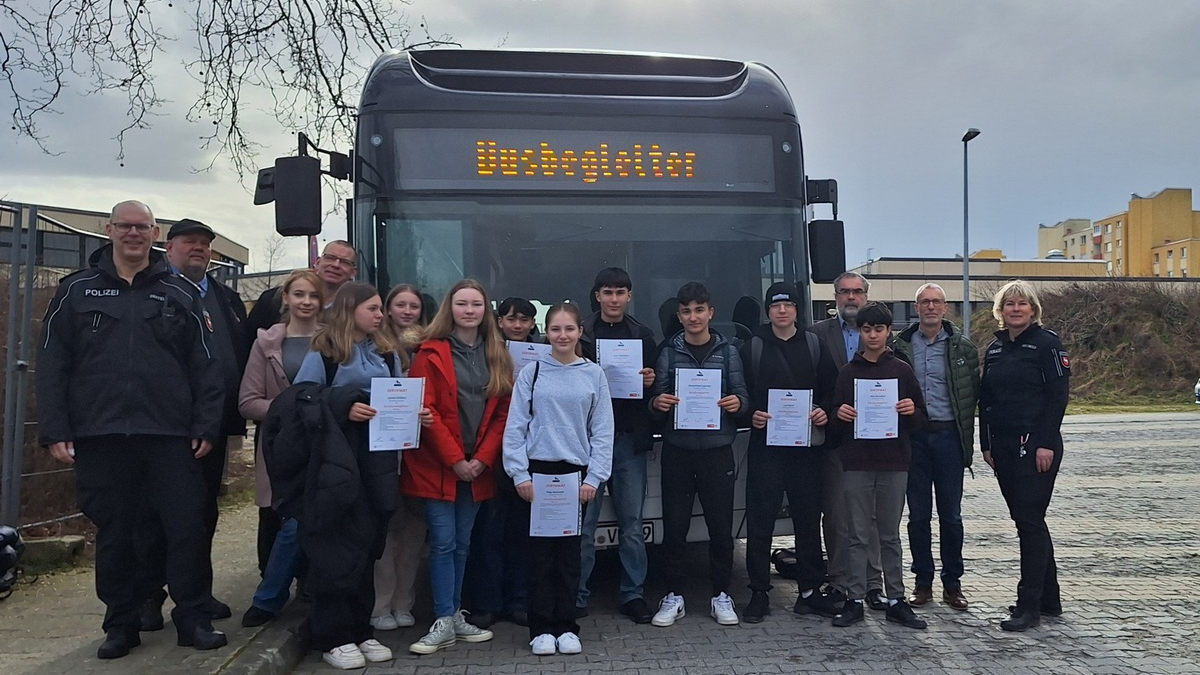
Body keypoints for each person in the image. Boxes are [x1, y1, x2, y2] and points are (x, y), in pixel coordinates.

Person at [36, 200, 226, 658]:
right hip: (101, 436)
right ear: (109, 230)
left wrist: (205, 424)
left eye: (142, 226)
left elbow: (206, 366)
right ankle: (120, 624)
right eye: (125, 226)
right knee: (116, 532)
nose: (133, 233)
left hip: (170, 435)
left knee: (186, 530)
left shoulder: (181, 292)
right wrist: (56, 428)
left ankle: (193, 618)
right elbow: (52, 364)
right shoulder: (75, 291)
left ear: (156, 233)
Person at [138, 218, 250, 630]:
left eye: (204, 244)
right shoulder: (150, 290)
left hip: (213, 426)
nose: (198, 249)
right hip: (165, 427)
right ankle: (149, 596)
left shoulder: (225, 298)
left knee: (202, 513)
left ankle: (196, 594)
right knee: (155, 514)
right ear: (168, 247)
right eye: (189, 242)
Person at [283, 282, 402, 669]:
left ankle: (359, 629)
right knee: (336, 547)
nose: (380, 315)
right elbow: (302, 399)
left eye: (381, 308)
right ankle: (332, 636)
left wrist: (413, 414)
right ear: (351, 309)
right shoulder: (327, 351)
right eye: (373, 308)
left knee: (368, 546)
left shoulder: (386, 352)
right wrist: (344, 406)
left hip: (379, 460)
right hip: (337, 460)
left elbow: (397, 393)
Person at [403, 279, 513, 655]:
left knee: (463, 543)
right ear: (450, 308)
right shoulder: (428, 353)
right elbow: (426, 410)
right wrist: (456, 460)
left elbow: (503, 412)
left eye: (476, 304)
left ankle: (454, 616)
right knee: (443, 542)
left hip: (478, 465)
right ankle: (443, 617)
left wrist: (481, 459)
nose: (469, 310)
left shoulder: (497, 352)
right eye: (462, 303)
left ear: (486, 311)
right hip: (438, 464)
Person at [504, 303, 614, 655]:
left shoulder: (593, 374)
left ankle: (567, 626)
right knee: (539, 557)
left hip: (575, 477)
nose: (562, 336)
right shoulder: (532, 373)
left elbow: (602, 432)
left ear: (580, 331)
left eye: (569, 329)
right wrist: (519, 474)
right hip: (538, 474)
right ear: (545, 332)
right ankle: (541, 629)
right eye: (555, 329)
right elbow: (516, 427)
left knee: (570, 557)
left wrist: (594, 478)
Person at [648, 281, 749, 627]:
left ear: (710, 313)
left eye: (699, 310)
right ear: (679, 315)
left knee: (720, 530)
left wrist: (738, 404)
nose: (693, 316)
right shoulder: (668, 353)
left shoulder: (730, 352)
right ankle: (673, 595)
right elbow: (656, 401)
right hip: (678, 451)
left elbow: (743, 398)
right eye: (687, 311)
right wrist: (657, 403)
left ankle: (721, 595)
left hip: (718, 451)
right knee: (674, 529)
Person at [739, 282, 841, 623]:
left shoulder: (815, 345)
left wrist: (824, 411)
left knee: (807, 519)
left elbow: (832, 389)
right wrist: (749, 412)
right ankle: (758, 592)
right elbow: (739, 393)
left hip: (805, 450)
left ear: (797, 310)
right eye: (775, 306)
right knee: (760, 520)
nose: (782, 311)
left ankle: (810, 592)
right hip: (766, 447)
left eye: (788, 305)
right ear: (768, 311)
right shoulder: (751, 347)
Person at [829, 302, 928, 630]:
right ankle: (854, 599)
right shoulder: (848, 372)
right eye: (866, 329)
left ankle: (896, 599)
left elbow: (921, 420)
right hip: (857, 464)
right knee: (857, 534)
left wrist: (910, 410)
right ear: (859, 332)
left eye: (879, 329)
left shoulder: (901, 370)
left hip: (893, 462)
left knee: (888, 535)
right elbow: (832, 422)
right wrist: (838, 416)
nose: (872, 335)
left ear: (889, 333)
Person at [979, 280, 1069, 632]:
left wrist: (1046, 442)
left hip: (1036, 447)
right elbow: (986, 401)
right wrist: (986, 444)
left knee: (1029, 522)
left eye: (1022, 304)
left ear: (1033, 309)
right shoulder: (997, 349)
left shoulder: (1047, 345)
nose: (1015, 309)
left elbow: (1058, 396)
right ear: (1000, 311)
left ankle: (1028, 605)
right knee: (1028, 521)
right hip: (1002, 448)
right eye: (1009, 304)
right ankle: (1050, 598)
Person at [237, 270, 324, 628]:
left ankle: (284, 595)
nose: (306, 302)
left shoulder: (335, 340)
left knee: (310, 521)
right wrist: (291, 408)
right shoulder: (266, 343)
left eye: (313, 296)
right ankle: (271, 594)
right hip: (282, 447)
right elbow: (247, 401)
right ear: (285, 298)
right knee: (285, 519)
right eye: (298, 294)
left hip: (325, 446)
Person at [892, 283, 979, 611]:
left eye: (936, 302)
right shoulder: (900, 346)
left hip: (948, 439)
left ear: (945, 308)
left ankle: (953, 583)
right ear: (916, 308)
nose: (930, 307)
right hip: (913, 439)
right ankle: (923, 581)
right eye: (924, 302)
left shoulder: (963, 348)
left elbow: (973, 395)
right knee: (917, 516)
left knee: (951, 515)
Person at [577, 267, 657, 623]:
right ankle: (577, 595)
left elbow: (657, 391)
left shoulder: (643, 335)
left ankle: (632, 594)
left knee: (632, 525)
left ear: (629, 296)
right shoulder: (581, 335)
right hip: (588, 442)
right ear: (597, 296)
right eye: (607, 292)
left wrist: (651, 381)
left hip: (627, 440)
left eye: (620, 292)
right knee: (583, 524)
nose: (614, 299)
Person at [460, 296, 541, 629]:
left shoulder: (545, 355)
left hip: (531, 452)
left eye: (524, 320)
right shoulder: (486, 352)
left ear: (534, 324)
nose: (518, 325)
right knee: (489, 533)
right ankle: (487, 603)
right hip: (491, 453)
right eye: (511, 319)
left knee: (523, 533)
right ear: (500, 321)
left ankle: (520, 600)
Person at [807, 271, 886, 610]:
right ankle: (839, 582)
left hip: (876, 442)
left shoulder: (883, 334)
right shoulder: (816, 335)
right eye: (844, 292)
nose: (851, 298)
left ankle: (873, 584)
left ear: (866, 296)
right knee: (837, 515)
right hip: (836, 440)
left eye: (857, 292)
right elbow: (809, 384)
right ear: (834, 296)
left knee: (872, 517)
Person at [370, 284, 429, 631]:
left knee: (414, 531)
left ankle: (404, 602)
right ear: (388, 309)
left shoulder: (428, 347)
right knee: (388, 531)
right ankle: (381, 605)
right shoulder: (373, 347)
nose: (407, 311)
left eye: (414, 306)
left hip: (420, 450)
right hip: (385, 449)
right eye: (400, 305)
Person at [245, 240, 358, 338]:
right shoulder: (272, 300)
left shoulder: (357, 309)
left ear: (353, 272)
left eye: (344, 262)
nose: (336, 265)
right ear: (317, 262)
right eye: (330, 258)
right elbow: (249, 343)